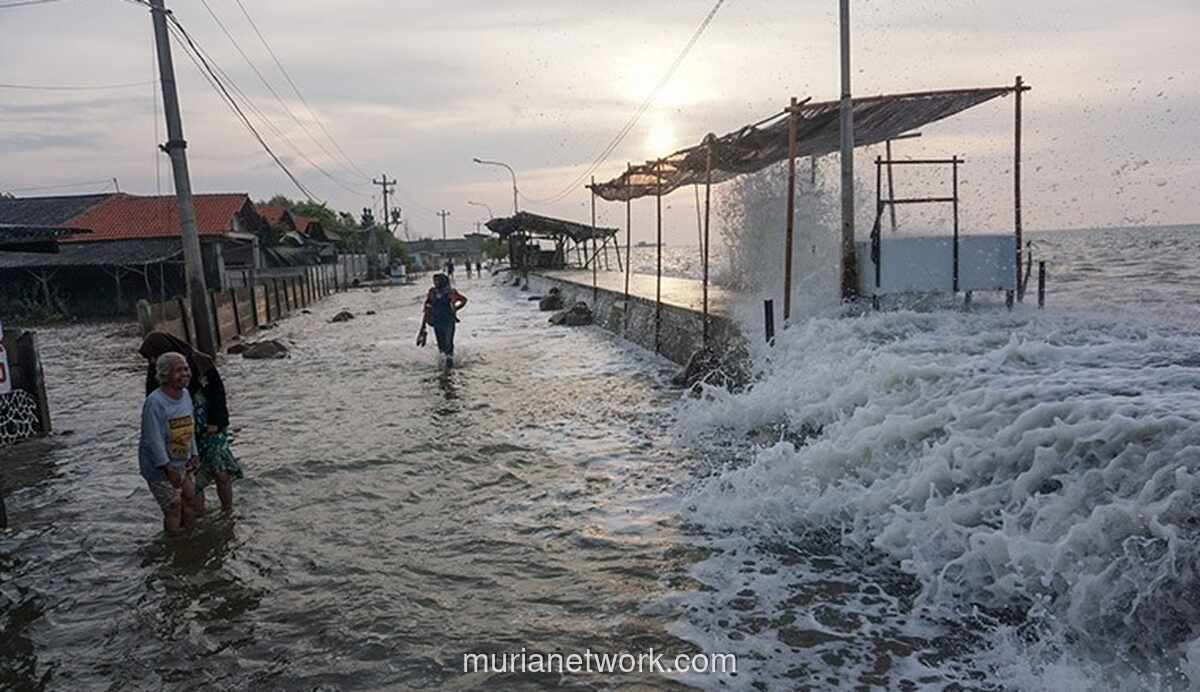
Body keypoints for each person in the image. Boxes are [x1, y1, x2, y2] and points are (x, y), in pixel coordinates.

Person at [140, 333, 243, 516]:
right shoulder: (157, 370)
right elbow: (154, 409)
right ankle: (200, 518)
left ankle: (228, 513)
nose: (152, 361)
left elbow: (218, 393)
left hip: (210, 426)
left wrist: (215, 421)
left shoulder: (199, 362)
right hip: (182, 432)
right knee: (194, 478)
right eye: (150, 358)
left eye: (155, 356)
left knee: (221, 471)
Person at [139, 352, 198, 535]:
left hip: (183, 460)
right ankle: (174, 544)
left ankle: (191, 539)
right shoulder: (154, 402)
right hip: (160, 467)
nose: (185, 374)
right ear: (165, 375)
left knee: (190, 499)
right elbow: (153, 439)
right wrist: (167, 468)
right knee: (173, 507)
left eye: (186, 369)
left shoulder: (186, 395)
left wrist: (194, 453)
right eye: (178, 370)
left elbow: (190, 426)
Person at [419, 273, 468, 366]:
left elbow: (464, 300)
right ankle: (442, 365)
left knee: (448, 343)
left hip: (449, 321)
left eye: (437, 281)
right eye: (434, 281)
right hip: (436, 322)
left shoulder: (451, 292)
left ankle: (450, 364)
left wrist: (456, 308)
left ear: (443, 281)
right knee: (441, 345)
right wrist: (423, 326)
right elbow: (427, 308)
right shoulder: (432, 292)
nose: (435, 283)